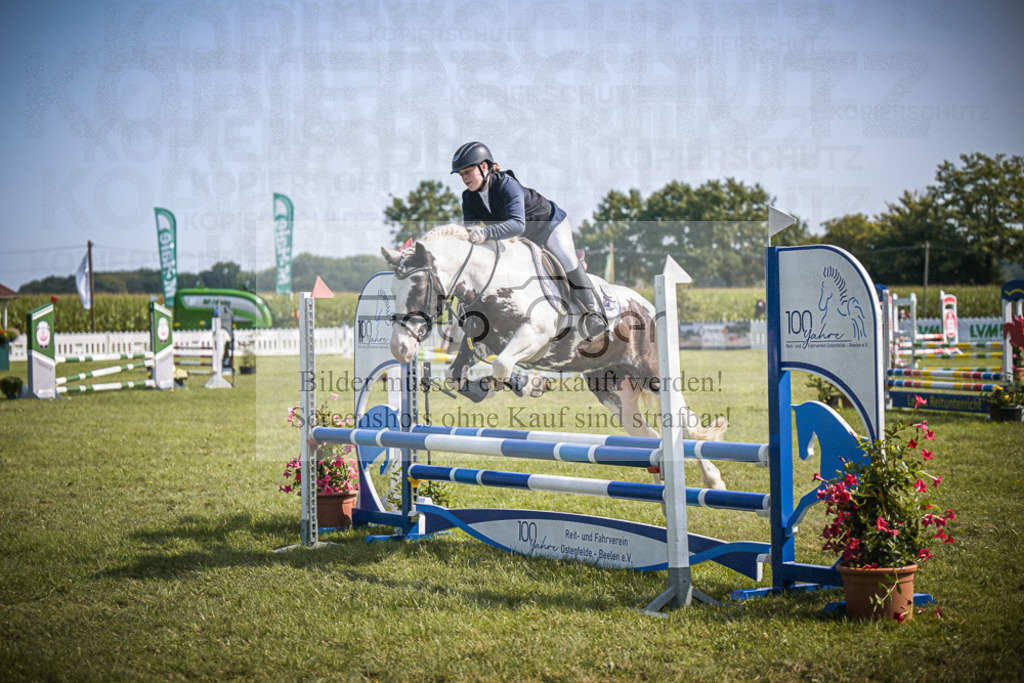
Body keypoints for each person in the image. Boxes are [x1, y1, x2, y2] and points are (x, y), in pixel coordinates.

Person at [451, 141, 608, 340]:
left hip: (548, 225)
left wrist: (486, 232)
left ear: (484, 167)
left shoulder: (507, 185)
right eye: (461, 174)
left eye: (467, 171)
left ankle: (594, 313)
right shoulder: (468, 198)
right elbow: (471, 233)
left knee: (566, 258)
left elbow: (517, 224)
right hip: (519, 238)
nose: (464, 178)